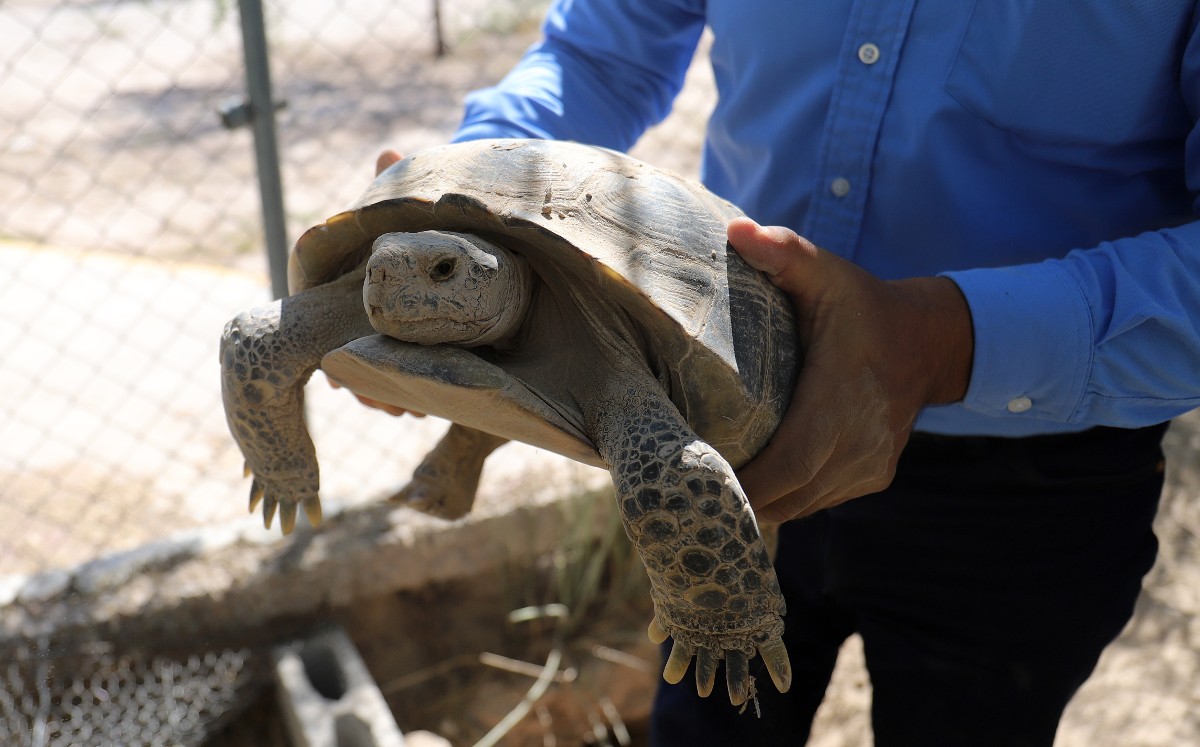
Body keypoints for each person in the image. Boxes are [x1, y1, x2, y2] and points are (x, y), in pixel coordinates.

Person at [352, 3, 1200, 744]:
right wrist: (457, 199)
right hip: (717, 434)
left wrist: (945, 339)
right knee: (705, 716)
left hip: (1035, 478)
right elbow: (602, 53)